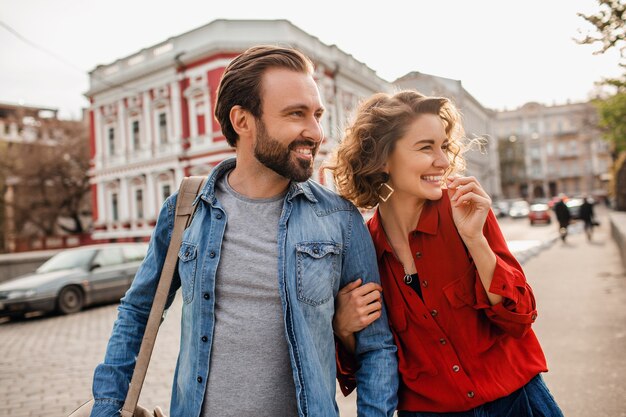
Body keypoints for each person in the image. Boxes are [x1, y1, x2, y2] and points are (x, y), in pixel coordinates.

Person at [90, 45, 398, 417]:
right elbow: (138, 311)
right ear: (242, 120)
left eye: (317, 115)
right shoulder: (185, 210)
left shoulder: (340, 219)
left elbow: (376, 347)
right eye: (295, 114)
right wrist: (106, 407)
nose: (315, 132)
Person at [327, 90, 563, 416]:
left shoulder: (464, 211)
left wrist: (475, 240)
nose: (443, 161)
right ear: (382, 159)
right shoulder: (362, 248)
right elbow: (369, 363)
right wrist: (343, 328)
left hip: (516, 402)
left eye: (444, 146)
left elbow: (519, 317)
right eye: (426, 147)